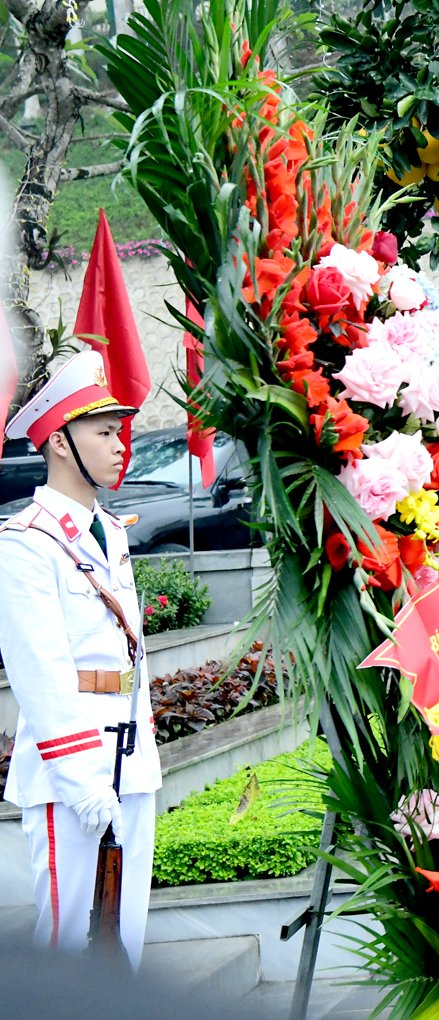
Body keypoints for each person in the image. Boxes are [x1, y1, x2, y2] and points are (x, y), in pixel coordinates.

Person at [0, 350, 161, 969]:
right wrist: (84, 783)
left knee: (128, 939)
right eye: (103, 431)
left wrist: (139, 757)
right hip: (74, 775)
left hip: (131, 759)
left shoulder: (110, 532)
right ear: (61, 443)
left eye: (118, 430)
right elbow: (39, 675)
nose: (121, 444)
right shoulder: (25, 544)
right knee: (67, 945)